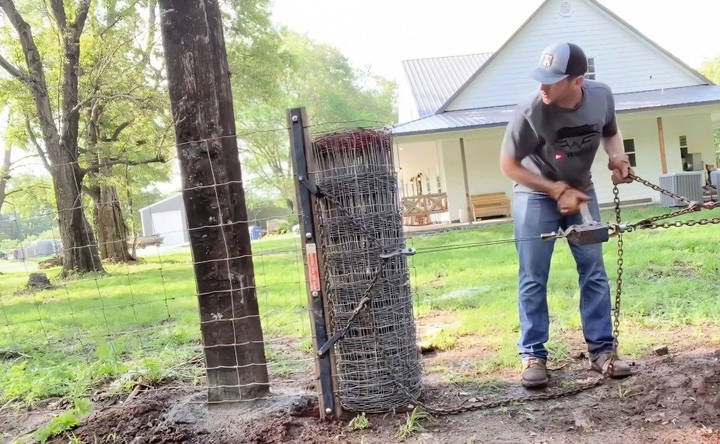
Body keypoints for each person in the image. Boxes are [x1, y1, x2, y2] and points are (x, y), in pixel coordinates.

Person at [499, 42, 633, 388]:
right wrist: (555, 190)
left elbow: (611, 132)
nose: (542, 86)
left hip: (582, 190)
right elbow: (508, 165)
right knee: (533, 274)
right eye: (541, 79)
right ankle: (533, 354)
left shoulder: (601, 96)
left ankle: (602, 351)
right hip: (534, 193)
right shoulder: (531, 109)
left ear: (577, 81)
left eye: (552, 80)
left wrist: (617, 157)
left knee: (593, 269)